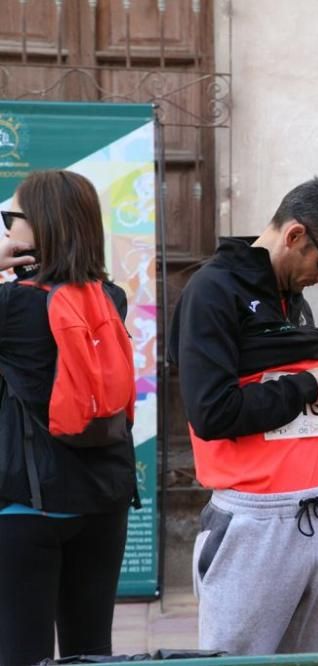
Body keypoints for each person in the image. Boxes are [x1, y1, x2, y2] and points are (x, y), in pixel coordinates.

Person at [168, 177, 318, 655]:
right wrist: (303, 386)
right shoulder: (211, 291)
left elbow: (285, 348)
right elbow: (212, 411)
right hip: (254, 522)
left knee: (316, 659)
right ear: (295, 235)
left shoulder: (285, 285)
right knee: (239, 661)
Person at [0, 171, 138, 666]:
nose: (6, 231)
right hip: (104, 498)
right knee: (92, 652)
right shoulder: (110, 298)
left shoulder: (11, 305)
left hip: (29, 507)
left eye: (9, 218)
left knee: (22, 655)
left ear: (39, 228)